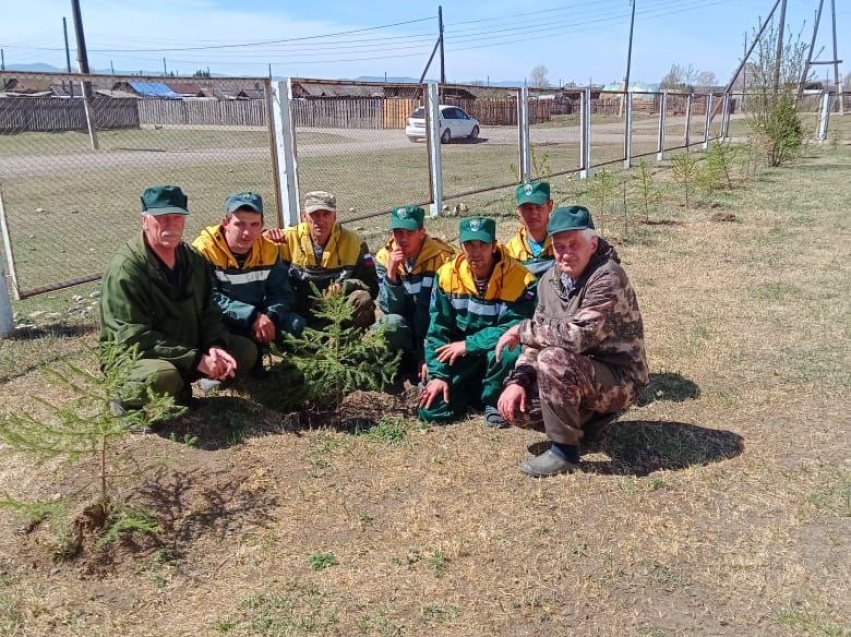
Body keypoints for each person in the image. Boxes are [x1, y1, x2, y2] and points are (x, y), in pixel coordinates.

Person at [496, 206, 649, 477]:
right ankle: (588, 421)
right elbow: (536, 342)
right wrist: (518, 380)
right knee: (517, 410)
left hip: (618, 377)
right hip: (579, 372)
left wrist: (522, 329)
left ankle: (564, 452)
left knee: (552, 358)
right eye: (559, 246)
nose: (566, 253)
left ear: (593, 244)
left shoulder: (608, 276)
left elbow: (577, 337)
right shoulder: (549, 282)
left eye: (573, 244)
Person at [99, 185, 258, 416]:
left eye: (176, 217)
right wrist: (195, 360)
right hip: (133, 355)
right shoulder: (127, 269)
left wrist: (215, 346)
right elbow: (132, 336)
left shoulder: (191, 258)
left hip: (184, 344)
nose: (170, 225)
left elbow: (209, 310)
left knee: (244, 351)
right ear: (145, 220)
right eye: (161, 218)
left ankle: (182, 390)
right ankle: (125, 401)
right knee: (162, 376)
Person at [418, 217, 537, 426]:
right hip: (463, 355)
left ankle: (493, 398)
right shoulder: (447, 275)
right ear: (461, 246)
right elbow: (438, 329)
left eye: (482, 244)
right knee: (431, 410)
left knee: (509, 350)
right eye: (469, 245)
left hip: (492, 352)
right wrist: (438, 374)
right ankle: (471, 389)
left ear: (493, 245)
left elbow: (513, 328)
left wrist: (469, 344)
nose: (475, 252)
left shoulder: (519, 278)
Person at [192, 192, 306, 359]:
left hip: (258, 318)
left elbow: (282, 292)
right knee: (242, 354)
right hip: (220, 321)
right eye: (240, 224)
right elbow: (208, 298)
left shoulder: (269, 250)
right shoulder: (204, 250)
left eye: (254, 224)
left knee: (297, 326)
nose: (247, 233)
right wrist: (251, 316)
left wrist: (271, 317)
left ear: (262, 225)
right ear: (225, 223)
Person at [265, 191, 378, 328]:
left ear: (335, 216)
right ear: (305, 217)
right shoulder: (286, 240)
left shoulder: (354, 243)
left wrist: (345, 286)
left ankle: (345, 343)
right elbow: (250, 251)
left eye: (326, 214)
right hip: (298, 311)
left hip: (336, 310)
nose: (320, 220)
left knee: (362, 298)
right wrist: (262, 236)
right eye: (315, 215)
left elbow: (372, 285)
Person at [374, 205, 455, 382]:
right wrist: (391, 274)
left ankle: (425, 360)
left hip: (431, 329)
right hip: (405, 328)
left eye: (409, 233)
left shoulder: (443, 258)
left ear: (421, 232)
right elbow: (389, 308)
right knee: (389, 324)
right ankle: (398, 363)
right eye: (398, 233)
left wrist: (427, 354)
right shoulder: (384, 257)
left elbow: (443, 313)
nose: (403, 239)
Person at [504, 181, 555, 279]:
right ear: (519, 211)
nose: (534, 213)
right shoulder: (511, 251)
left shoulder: (562, 244)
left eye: (539, 207)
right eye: (528, 208)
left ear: (550, 206)